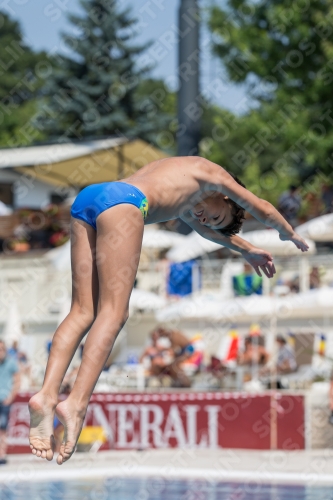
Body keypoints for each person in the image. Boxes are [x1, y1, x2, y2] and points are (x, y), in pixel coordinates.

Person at [28, 156, 309, 464]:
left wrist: (247, 249)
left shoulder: (190, 191)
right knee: (114, 313)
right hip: (124, 204)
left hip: (90, 199)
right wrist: (289, 233)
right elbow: (262, 207)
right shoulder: (215, 176)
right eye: (215, 216)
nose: (205, 220)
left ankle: (47, 394)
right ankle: (77, 404)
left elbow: (208, 233)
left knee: (82, 311)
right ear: (227, 198)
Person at [0, 340, 20, 465]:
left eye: (2, 349)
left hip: (4, 400)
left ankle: (1, 454)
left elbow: (17, 381)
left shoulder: (11, 363)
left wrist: (11, 397)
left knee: (2, 429)